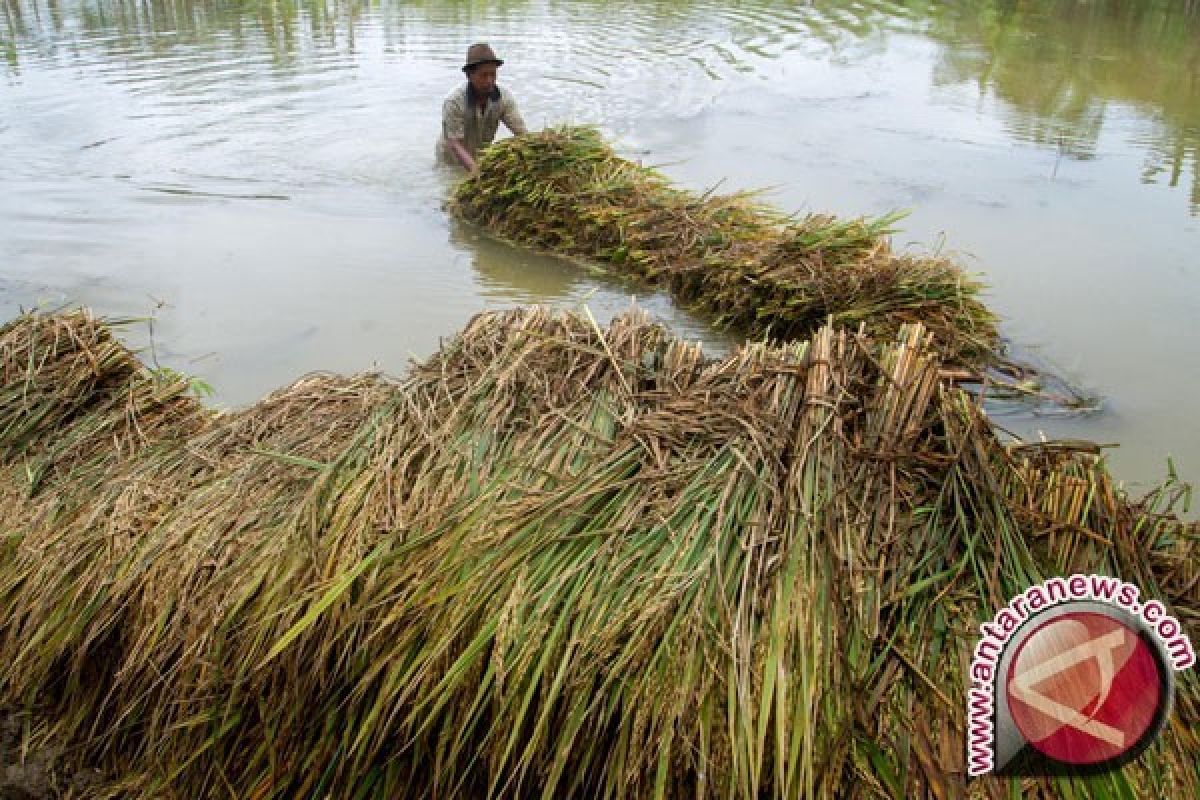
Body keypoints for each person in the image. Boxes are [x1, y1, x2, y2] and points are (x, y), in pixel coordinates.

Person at [437, 43, 528, 172]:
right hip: (451, 160)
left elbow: (522, 133)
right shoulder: (454, 102)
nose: (489, 81)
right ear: (469, 75)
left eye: (493, 74)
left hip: (478, 156)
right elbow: (455, 144)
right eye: (483, 75)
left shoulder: (504, 98)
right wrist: (476, 171)